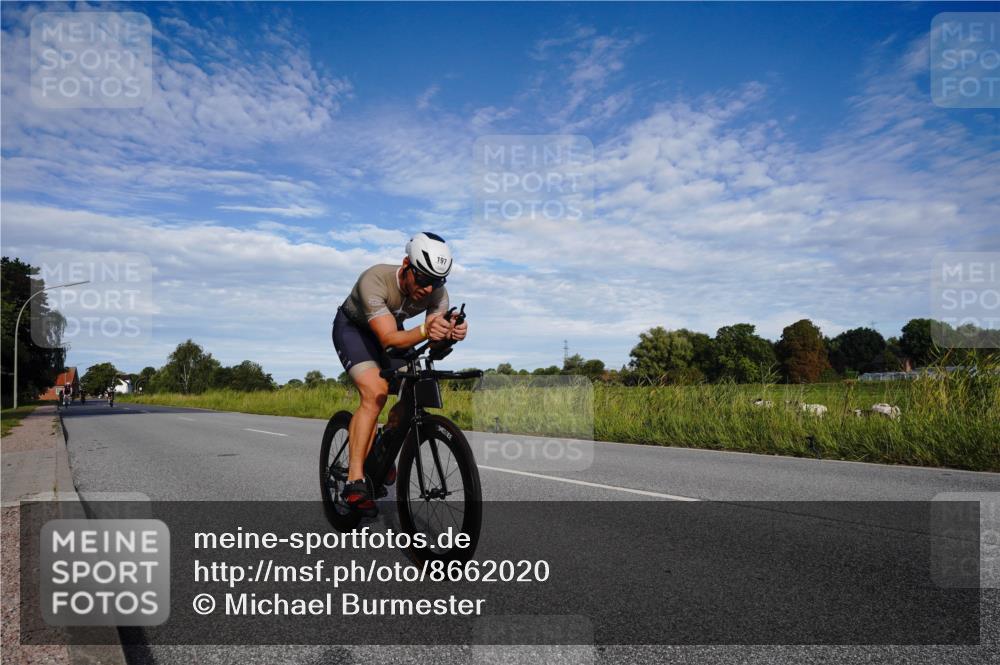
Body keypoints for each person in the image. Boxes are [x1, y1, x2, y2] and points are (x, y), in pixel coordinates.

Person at [332, 232, 467, 516]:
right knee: (376, 392)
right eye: (422, 279)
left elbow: (431, 341)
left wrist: (450, 334)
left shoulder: (436, 293)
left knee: (414, 385)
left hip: (394, 331)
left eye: (437, 282)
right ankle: (355, 479)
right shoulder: (375, 279)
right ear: (406, 265)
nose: (428, 289)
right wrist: (425, 331)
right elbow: (390, 339)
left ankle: (384, 445)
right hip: (356, 331)